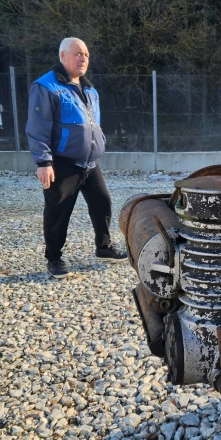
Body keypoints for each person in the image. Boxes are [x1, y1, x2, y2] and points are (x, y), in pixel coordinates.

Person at [26, 37, 127, 278]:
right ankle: (54, 259)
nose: (83, 58)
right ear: (63, 56)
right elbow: (38, 126)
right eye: (77, 54)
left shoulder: (89, 88)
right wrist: (43, 162)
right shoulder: (46, 86)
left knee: (102, 203)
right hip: (63, 163)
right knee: (58, 211)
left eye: (86, 55)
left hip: (90, 163)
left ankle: (103, 248)